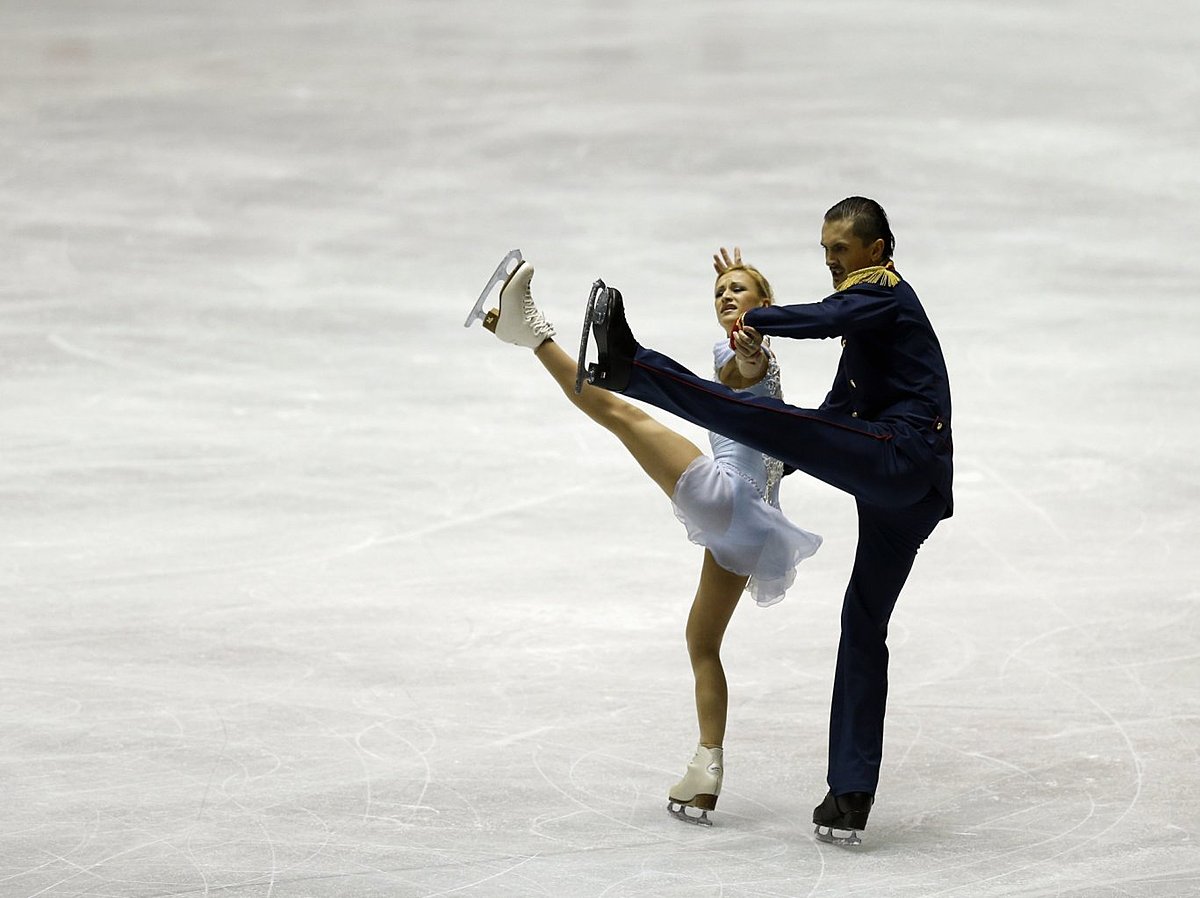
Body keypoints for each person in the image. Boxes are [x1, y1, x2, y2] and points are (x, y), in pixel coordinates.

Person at [580, 197, 953, 845]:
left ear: (877, 249)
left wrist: (757, 317)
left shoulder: (884, 290)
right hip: (910, 493)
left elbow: (825, 318)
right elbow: (837, 412)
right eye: (825, 250)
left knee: (748, 412)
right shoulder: (873, 332)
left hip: (902, 456)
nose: (832, 260)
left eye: (840, 249)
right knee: (861, 624)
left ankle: (629, 365)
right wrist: (781, 464)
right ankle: (850, 793)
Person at [470, 255, 822, 825]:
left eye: (740, 289)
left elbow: (741, 369)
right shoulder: (755, 357)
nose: (727, 296)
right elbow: (747, 380)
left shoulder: (744, 353)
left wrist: (749, 353)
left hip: (727, 496)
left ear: (765, 303)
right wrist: (750, 354)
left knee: (617, 413)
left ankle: (532, 332)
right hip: (754, 528)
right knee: (701, 642)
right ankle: (706, 767)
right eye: (719, 292)